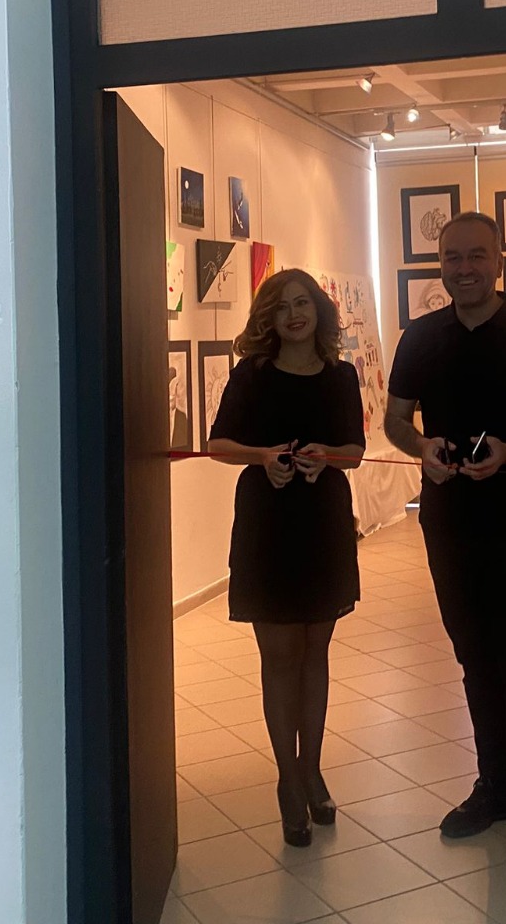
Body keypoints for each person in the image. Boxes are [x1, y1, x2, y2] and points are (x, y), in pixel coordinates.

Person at [384, 212, 506, 879]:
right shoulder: (420, 338)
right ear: (439, 264)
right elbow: (396, 420)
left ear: (499, 261)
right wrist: (422, 449)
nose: (463, 268)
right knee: (473, 659)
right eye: (452, 257)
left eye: (476, 255)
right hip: (448, 519)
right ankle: (494, 784)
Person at [205, 270, 366, 847]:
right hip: (267, 524)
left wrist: (327, 457)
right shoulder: (251, 374)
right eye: (281, 307)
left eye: (302, 304)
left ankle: (312, 768)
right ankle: (288, 781)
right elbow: (218, 444)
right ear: (268, 319)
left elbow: (355, 450)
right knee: (279, 657)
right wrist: (262, 456)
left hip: (323, 522)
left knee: (315, 652)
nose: (294, 315)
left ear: (319, 310)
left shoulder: (341, 376)